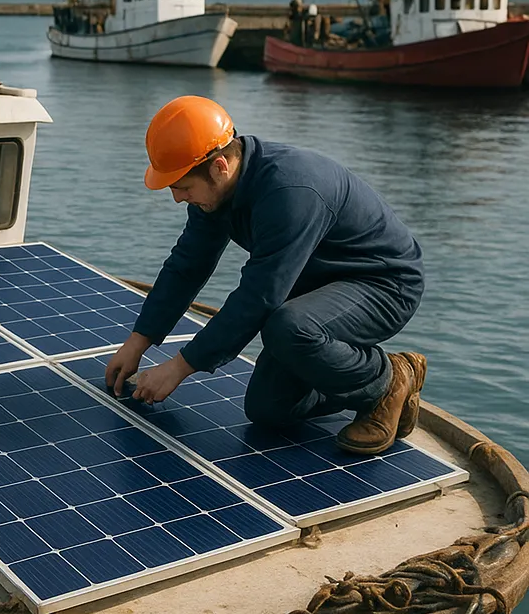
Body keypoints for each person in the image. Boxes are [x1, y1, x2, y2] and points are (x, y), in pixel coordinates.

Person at [105, 96, 426, 456]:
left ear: (219, 166)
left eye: (181, 187)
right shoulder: (214, 193)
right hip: (314, 286)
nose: (178, 199)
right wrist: (139, 340)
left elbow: (260, 295)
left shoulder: (290, 191)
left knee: (288, 327)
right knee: (269, 410)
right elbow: (187, 264)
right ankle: (355, 377)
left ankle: (386, 381)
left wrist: (181, 366)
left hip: (383, 283)